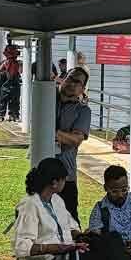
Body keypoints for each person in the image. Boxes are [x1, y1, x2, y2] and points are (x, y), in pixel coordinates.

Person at [56, 67, 91, 223]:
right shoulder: (47, 99)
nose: (71, 83)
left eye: (78, 82)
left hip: (66, 175)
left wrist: (48, 133)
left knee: (70, 222)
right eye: (70, 78)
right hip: (41, 172)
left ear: (82, 89)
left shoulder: (83, 111)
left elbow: (75, 139)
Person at [0, 42, 22, 122]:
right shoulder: (3, 62)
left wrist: (18, 65)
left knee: (15, 101)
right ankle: (1, 116)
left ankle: (14, 115)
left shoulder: (18, 63)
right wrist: (4, 65)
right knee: (3, 100)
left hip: (15, 84)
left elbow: (20, 71)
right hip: (4, 84)